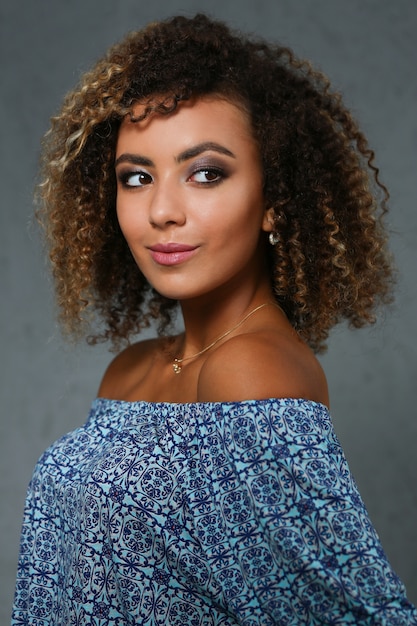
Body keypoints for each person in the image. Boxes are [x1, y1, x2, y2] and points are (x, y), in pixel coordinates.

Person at [11, 13, 417, 626]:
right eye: (136, 177)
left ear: (273, 202)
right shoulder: (132, 371)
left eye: (206, 173)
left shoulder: (251, 370)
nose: (161, 210)